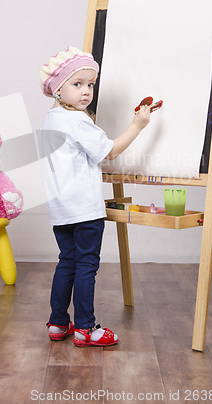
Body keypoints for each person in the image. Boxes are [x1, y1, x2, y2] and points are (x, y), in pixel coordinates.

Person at [39, 46, 150, 347]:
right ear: (58, 89)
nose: (86, 91)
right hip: (85, 211)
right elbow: (110, 151)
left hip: (61, 211)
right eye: (78, 84)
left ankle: (58, 322)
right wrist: (138, 125)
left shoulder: (52, 119)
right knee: (87, 265)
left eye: (90, 84)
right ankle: (86, 328)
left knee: (67, 262)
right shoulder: (78, 122)